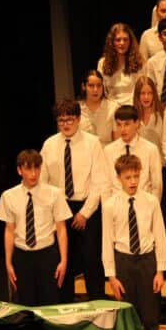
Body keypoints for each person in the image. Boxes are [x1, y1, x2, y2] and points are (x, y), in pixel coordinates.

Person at [102, 155, 166, 330]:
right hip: (124, 261)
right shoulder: (110, 205)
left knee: (150, 317)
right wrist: (111, 276)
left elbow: (160, 235)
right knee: (127, 317)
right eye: (128, 177)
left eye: (136, 176)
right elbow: (107, 241)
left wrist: (160, 270)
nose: (132, 181)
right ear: (118, 178)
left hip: (147, 260)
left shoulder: (150, 201)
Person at [40, 100, 111, 302]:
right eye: (61, 120)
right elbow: (43, 181)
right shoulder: (49, 145)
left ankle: (98, 304)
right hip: (60, 207)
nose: (65, 124)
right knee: (64, 260)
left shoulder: (92, 143)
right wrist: (54, 211)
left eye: (69, 119)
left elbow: (100, 182)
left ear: (78, 119)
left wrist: (85, 213)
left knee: (91, 260)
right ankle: (65, 305)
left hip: (86, 206)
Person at [0, 149, 70, 306]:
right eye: (28, 169)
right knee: (25, 304)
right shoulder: (8, 196)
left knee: (50, 303)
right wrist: (8, 262)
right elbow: (9, 230)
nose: (33, 174)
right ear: (19, 170)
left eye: (37, 168)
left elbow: (61, 228)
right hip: (22, 255)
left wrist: (63, 260)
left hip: (47, 255)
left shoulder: (54, 193)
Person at [104, 104, 163, 201]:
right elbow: (105, 185)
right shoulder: (108, 150)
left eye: (127, 124)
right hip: (117, 204)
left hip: (144, 203)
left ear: (137, 123)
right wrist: (107, 208)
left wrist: (152, 207)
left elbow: (157, 185)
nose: (122, 129)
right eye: (119, 125)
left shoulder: (151, 149)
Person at [97, 23, 146, 105]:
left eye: (125, 39)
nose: (122, 43)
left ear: (130, 42)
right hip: (111, 107)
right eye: (118, 40)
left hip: (133, 107)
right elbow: (102, 90)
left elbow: (143, 89)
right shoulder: (102, 63)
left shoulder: (139, 62)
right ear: (112, 42)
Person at [77, 69, 118, 145]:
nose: (95, 90)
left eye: (99, 85)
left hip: (106, 151)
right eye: (91, 85)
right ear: (83, 86)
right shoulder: (77, 108)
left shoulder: (112, 108)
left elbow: (117, 142)